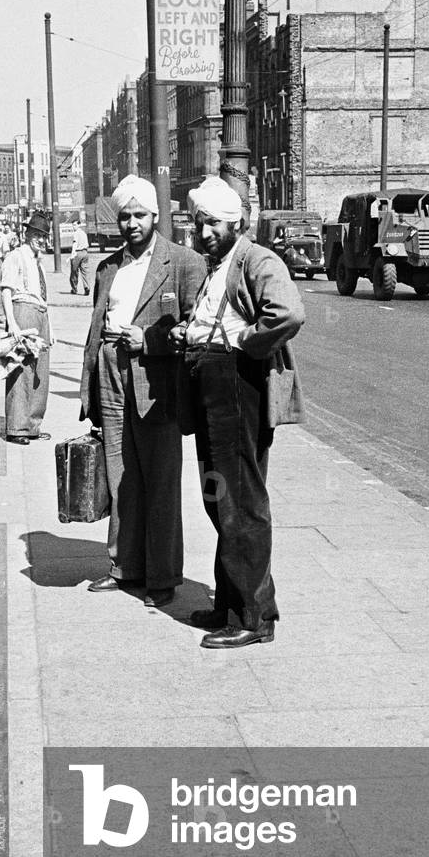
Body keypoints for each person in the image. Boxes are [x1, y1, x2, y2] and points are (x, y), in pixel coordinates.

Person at [174, 176, 305, 650]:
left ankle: (252, 618)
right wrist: (189, 333)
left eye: (212, 224)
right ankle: (236, 602)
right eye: (198, 224)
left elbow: (288, 314)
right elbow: (214, 317)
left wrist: (244, 342)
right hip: (212, 382)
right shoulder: (220, 264)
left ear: (237, 223)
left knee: (239, 500)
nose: (203, 232)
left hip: (235, 384)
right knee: (218, 496)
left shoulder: (256, 258)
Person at [79, 175, 206, 607]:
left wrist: (149, 341)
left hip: (157, 386)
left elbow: (198, 329)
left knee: (161, 481)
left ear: (156, 216)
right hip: (111, 377)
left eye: (140, 215)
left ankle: (162, 578)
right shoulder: (107, 268)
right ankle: (123, 567)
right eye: (125, 216)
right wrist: (88, 390)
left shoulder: (185, 263)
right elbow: (95, 331)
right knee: (121, 479)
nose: (132, 223)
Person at [0, 212, 53, 446]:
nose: (41, 239)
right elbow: (6, 290)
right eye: (37, 234)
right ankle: (16, 427)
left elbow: (42, 297)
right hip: (23, 311)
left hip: (40, 315)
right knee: (21, 370)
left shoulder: (37, 260)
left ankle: (32, 425)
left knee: (40, 372)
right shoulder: (16, 256)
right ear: (27, 233)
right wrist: (12, 323)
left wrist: (50, 328)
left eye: (44, 236)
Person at [69, 222, 90, 295]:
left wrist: (72, 254)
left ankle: (74, 289)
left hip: (78, 253)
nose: (73, 227)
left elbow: (75, 244)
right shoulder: (84, 233)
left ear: (78, 225)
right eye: (73, 225)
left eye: (75, 225)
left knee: (74, 272)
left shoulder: (76, 233)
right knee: (84, 271)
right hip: (85, 253)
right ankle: (86, 287)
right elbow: (87, 244)